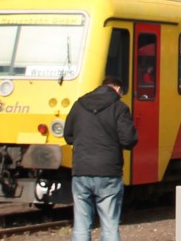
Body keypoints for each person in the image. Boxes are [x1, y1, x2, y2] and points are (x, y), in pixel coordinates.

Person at [64, 77, 139, 241]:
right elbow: (129, 139)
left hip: (81, 171)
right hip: (108, 172)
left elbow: (68, 136)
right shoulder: (119, 108)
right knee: (110, 226)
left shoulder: (79, 105)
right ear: (118, 89)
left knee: (81, 225)